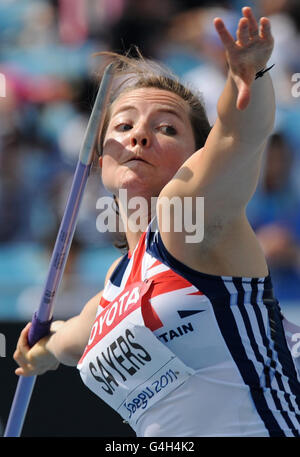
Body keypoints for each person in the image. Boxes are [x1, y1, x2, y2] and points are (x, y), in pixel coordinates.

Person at [14, 7, 300, 437]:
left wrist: (251, 78)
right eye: (124, 124)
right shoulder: (113, 288)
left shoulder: (187, 219)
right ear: (99, 155)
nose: (139, 136)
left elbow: (238, 135)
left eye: (166, 128)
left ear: (196, 156)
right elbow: (74, 338)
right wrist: (43, 349)